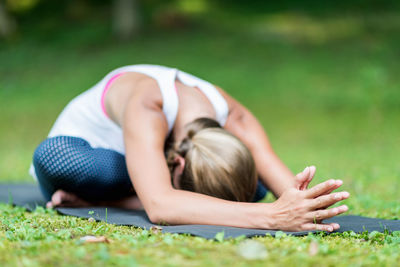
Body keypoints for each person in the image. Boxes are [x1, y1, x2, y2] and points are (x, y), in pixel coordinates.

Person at [30, 64, 349, 232]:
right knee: (60, 158)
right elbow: (159, 207)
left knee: (253, 186)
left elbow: (286, 191)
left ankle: (119, 200)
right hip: (97, 162)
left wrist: (303, 202)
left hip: (148, 178)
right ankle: (122, 194)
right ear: (178, 164)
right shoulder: (148, 104)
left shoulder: (233, 114)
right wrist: (271, 216)